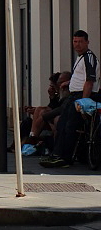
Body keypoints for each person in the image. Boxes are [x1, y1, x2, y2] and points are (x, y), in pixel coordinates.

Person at [41, 30, 98, 168]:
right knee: (62, 124)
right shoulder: (80, 58)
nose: (77, 45)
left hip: (80, 96)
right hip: (73, 95)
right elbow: (81, 77)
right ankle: (57, 154)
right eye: (75, 41)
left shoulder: (89, 58)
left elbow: (89, 81)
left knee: (70, 126)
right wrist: (70, 82)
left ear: (87, 42)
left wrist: (83, 102)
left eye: (80, 42)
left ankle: (65, 157)